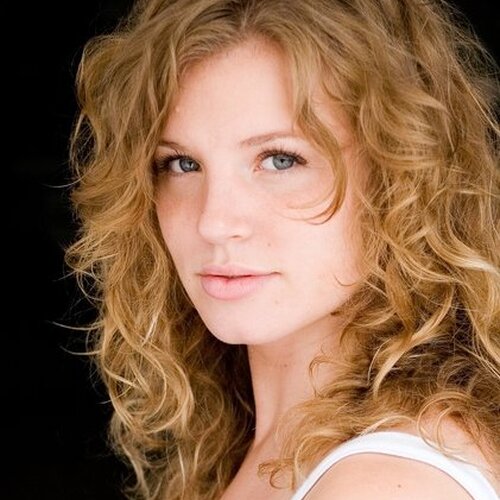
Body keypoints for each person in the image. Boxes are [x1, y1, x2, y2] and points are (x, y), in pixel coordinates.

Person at [66, 0, 499, 498]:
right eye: (182, 164)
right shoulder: (249, 443)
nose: (214, 223)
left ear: (402, 174)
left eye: (280, 160)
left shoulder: (385, 483)